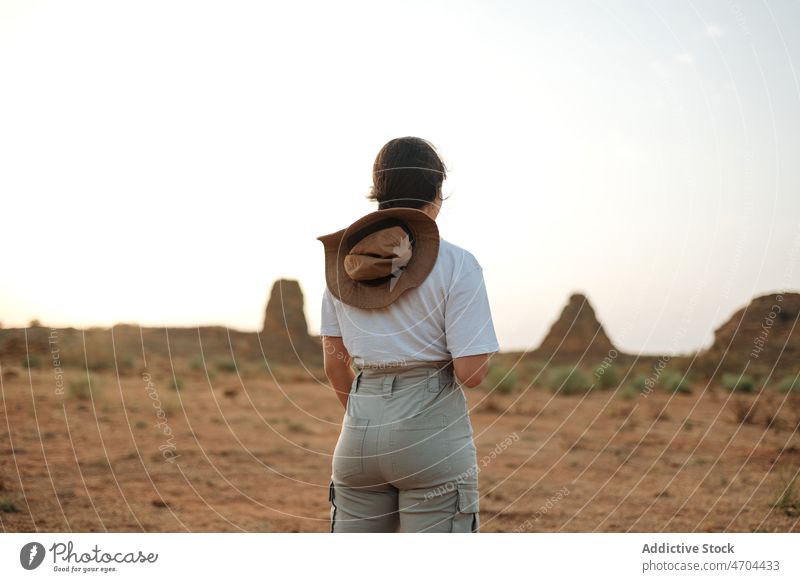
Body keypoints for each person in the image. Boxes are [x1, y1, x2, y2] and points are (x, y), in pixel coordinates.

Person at [316, 136, 500, 533]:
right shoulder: (459, 264)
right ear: (437, 193)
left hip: (358, 436)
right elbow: (472, 373)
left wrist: (370, 419)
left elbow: (334, 368)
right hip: (431, 437)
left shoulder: (341, 267)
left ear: (377, 191)